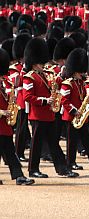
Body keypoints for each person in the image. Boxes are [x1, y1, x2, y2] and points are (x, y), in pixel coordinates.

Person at [22, 38, 77, 179]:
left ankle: (62, 168)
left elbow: (56, 83)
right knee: (36, 144)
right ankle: (33, 169)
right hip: (38, 115)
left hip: (49, 114)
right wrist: (45, 101)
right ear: (34, 63)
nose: (43, 65)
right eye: (41, 63)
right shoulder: (30, 78)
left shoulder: (46, 75)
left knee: (54, 143)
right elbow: (27, 97)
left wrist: (63, 75)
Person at [0, 49, 32, 185]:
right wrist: (1, 112)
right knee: (9, 152)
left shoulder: (3, 84)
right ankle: (18, 176)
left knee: (10, 152)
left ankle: (18, 176)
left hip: (4, 126)